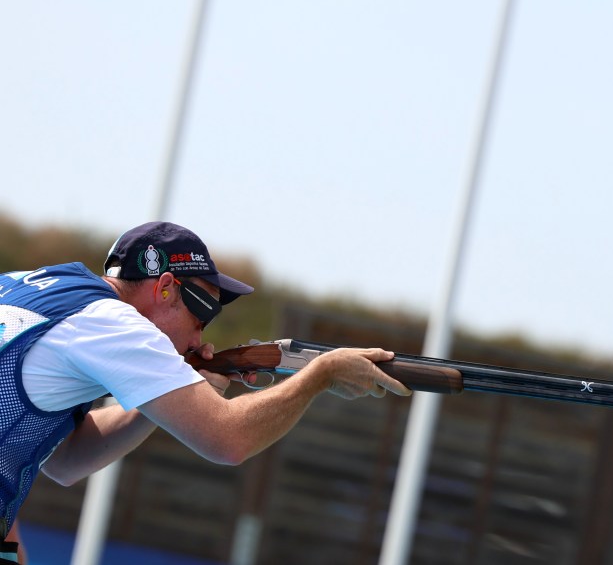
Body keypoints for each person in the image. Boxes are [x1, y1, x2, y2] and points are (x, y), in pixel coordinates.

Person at [0, 221, 411, 564]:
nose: (202, 335)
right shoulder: (113, 324)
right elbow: (228, 441)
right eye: (202, 313)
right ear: (163, 288)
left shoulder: (40, 287)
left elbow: (66, 459)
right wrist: (319, 375)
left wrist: (161, 396)